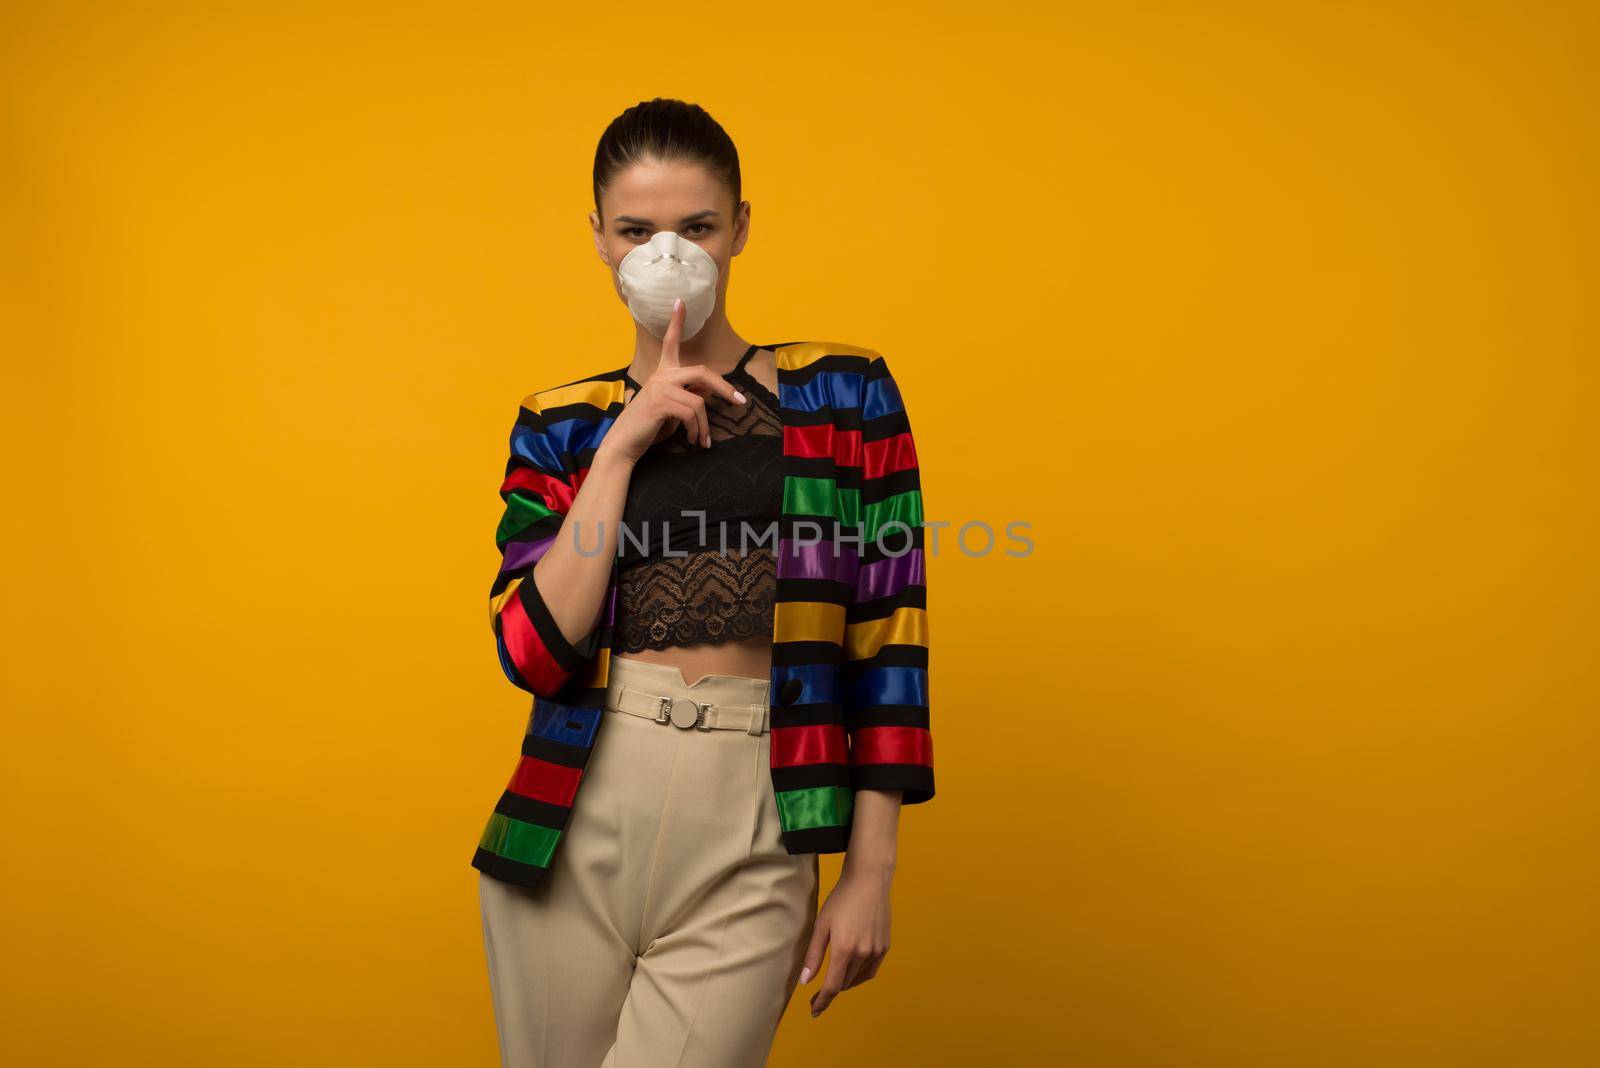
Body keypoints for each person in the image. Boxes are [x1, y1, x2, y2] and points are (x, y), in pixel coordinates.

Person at [474, 97, 935, 1067]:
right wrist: (618, 451)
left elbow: (889, 629)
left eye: (696, 227)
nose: (666, 254)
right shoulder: (559, 423)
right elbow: (531, 650)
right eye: (637, 230)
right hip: (578, 810)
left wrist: (870, 870)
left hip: (760, 801)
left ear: (739, 231)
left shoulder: (847, 394)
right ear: (598, 239)